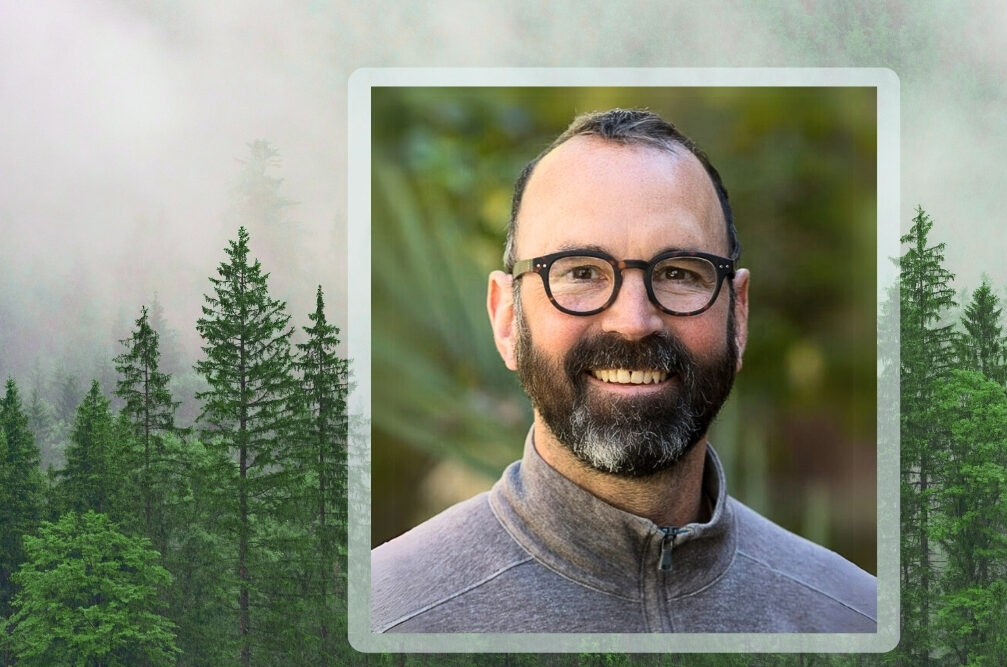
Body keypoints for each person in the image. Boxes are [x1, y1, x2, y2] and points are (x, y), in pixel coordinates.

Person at [372, 108, 876, 633]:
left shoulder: (856, 619)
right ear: (506, 319)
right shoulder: (385, 620)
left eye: (679, 273)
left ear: (739, 315)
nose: (634, 322)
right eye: (581, 272)